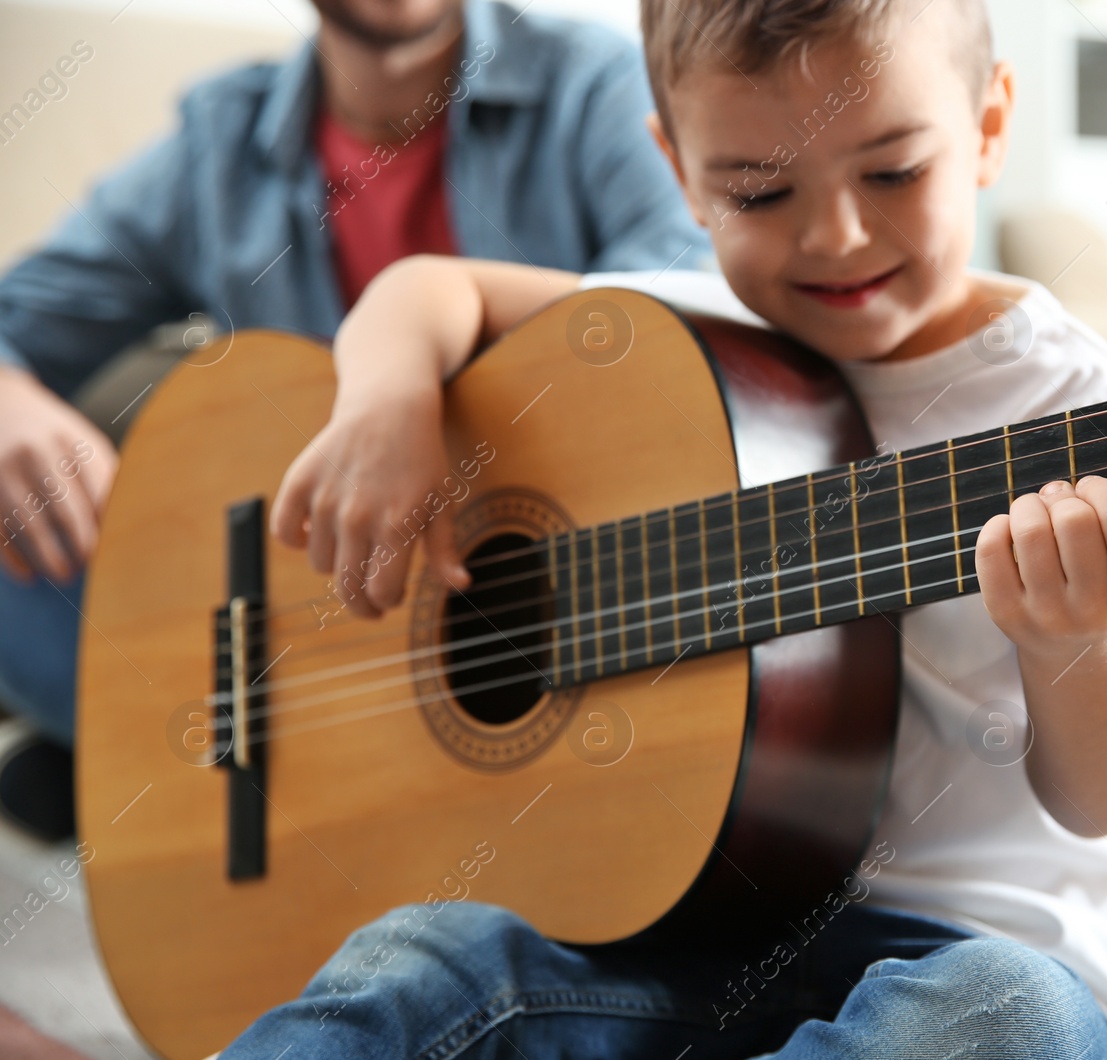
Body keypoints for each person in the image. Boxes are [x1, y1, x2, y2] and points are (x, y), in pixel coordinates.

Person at [218, 0, 1107, 1060]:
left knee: (1006, 1020)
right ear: (679, 169)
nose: (834, 234)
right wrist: (385, 399)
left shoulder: (1069, 396)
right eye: (760, 189)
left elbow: (1104, 794)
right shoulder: (673, 335)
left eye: (891, 173)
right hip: (677, 939)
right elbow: (428, 288)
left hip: (974, 944)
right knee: (421, 955)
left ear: (987, 124)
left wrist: (1080, 645)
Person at [0, 0, 709, 841]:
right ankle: (158, 765)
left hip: (581, 616)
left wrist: (407, 378)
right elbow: (20, 315)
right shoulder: (218, 141)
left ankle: (129, 770)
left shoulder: (597, 84)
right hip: (326, 636)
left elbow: (697, 320)